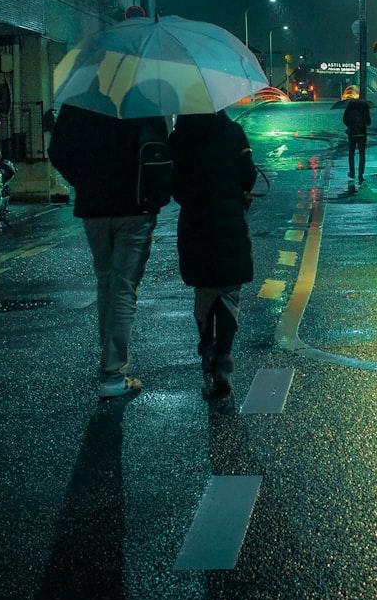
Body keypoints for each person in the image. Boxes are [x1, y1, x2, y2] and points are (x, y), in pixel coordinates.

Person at [48, 85, 171, 400]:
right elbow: (162, 150)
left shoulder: (79, 102)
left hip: (95, 209)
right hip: (135, 207)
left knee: (106, 283)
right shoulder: (145, 99)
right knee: (123, 287)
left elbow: (58, 152)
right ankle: (113, 374)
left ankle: (110, 367)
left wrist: (87, 182)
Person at [168, 112, 257, 398]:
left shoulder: (178, 138)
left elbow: (177, 189)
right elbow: (249, 175)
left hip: (195, 223)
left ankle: (206, 348)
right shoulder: (233, 131)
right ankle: (224, 358)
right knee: (229, 291)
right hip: (230, 219)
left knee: (205, 289)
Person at [342, 98, 371, 184]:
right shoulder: (365, 108)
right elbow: (369, 122)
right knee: (362, 154)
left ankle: (352, 172)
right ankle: (360, 174)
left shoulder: (349, 108)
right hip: (362, 134)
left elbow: (345, 120)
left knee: (351, 154)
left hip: (352, 134)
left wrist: (350, 125)